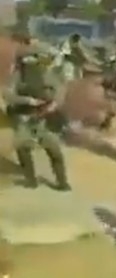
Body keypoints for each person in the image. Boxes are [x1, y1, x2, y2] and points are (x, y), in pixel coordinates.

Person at [3, 32, 71, 190]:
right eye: (32, 58)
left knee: (54, 150)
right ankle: (30, 179)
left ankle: (62, 182)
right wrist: (29, 101)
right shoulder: (17, 77)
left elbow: (61, 91)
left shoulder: (48, 75)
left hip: (44, 118)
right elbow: (8, 95)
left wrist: (54, 104)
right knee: (22, 147)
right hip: (24, 117)